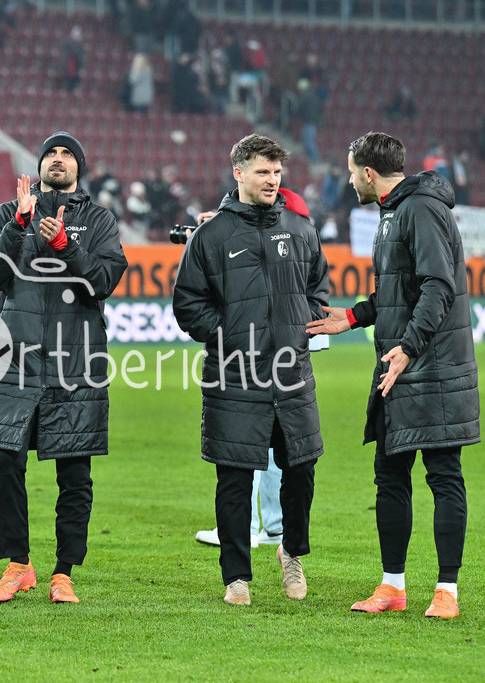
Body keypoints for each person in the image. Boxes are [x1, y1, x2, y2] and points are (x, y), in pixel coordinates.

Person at [307, 132, 481, 619]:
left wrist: (408, 346)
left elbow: (438, 286)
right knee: (390, 475)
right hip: (399, 365)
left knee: (443, 474)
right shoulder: (393, 212)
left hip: (434, 366)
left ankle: (447, 590)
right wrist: (355, 317)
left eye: (351, 172)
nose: (348, 181)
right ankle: (393, 587)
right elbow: (398, 293)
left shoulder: (420, 209)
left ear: (368, 173)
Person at [173, 135, 329, 606]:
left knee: (301, 470)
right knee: (235, 479)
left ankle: (291, 552)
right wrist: (229, 337)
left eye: (277, 172)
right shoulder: (211, 235)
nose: (272, 180)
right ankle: (237, 577)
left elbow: (318, 289)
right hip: (234, 375)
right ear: (238, 173)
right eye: (263, 171)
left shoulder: (300, 229)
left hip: (292, 375)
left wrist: (300, 327)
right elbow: (188, 304)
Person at [0, 132, 127, 604]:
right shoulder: (7, 213)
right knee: (5, 462)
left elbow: (104, 281)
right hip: (14, 359)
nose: (57, 160)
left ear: (79, 167)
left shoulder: (98, 220)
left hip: (75, 360)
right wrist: (18, 225)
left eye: (66, 155)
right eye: (50, 154)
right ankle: (18, 565)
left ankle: (64, 573)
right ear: (39, 165)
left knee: (75, 470)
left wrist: (65, 245)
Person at [191, 186, 324, 552]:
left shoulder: (288, 221)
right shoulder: (287, 219)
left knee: (260, 441)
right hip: (279, 344)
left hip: (273, 346)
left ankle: (256, 526)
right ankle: (273, 526)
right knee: (271, 443)